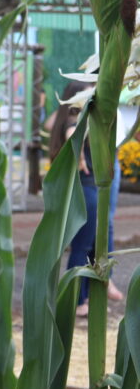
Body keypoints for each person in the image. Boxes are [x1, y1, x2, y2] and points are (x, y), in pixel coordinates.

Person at [47, 80, 125, 317]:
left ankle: (88, 293)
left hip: (86, 191)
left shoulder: (68, 120)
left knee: (90, 243)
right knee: (82, 247)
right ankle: (77, 301)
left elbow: (54, 124)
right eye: (89, 94)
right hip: (87, 191)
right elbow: (72, 133)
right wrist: (80, 155)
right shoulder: (76, 124)